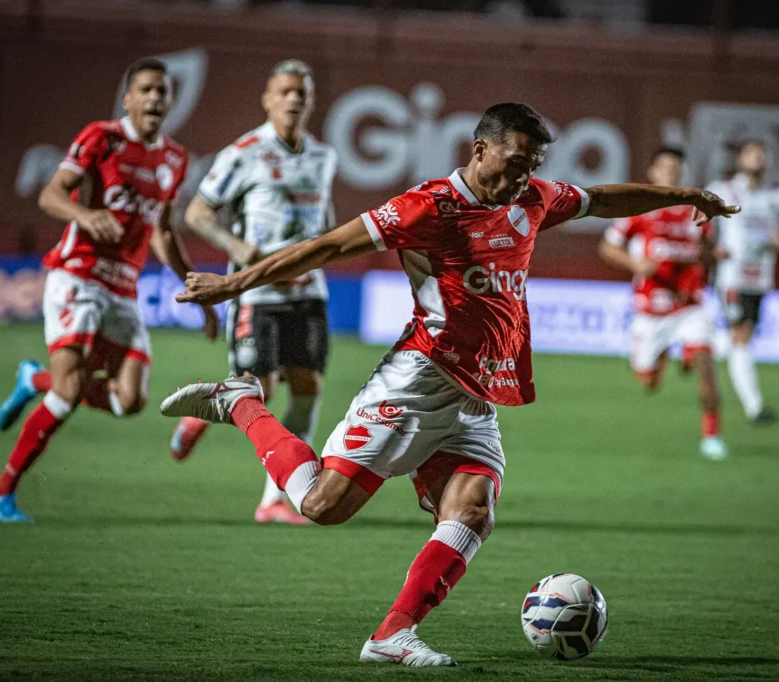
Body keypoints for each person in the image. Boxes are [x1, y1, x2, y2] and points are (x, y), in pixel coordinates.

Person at [159, 102, 739, 665]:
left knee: (472, 510)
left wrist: (686, 196)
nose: (523, 178)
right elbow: (329, 245)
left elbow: (603, 200)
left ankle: (393, 633)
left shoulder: (532, 199)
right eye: (515, 163)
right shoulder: (427, 208)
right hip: (418, 380)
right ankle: (241, 403)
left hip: (477, 396)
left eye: (532, 166)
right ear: (480, 148)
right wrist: (233, 285)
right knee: (321, 505)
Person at [0, 58, 218, 523]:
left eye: (162, 92)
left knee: (129, 400)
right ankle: (0, 493)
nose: (155, 99)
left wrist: (196, 287)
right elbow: (51, 193)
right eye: (146, 90)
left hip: (123, 289)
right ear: (128, 97)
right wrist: (85, 215)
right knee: (69, 391)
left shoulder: (175, 158)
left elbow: (164, 230)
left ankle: (34, 379)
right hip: (78, 274)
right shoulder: (102, 138)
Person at [168, 59, 336, 525]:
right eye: (284, 92)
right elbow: (198, 212)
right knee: (257, 389)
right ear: (267, 98)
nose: (293, 100)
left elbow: (324, 220)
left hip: (308, 291)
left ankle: (275, 499)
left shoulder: (324, 157)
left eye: (301, 93)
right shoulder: (244, 152)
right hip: (257, 293)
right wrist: (238, 249)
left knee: (307, 388)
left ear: (311, 101)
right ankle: (204, 412)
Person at [598, 147, 728, 460]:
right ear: (653, 173)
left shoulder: (696, 212)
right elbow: (607, 247)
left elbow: (709, 251)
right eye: (665, 168)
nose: (670, 173)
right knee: (648, 383)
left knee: (707, 370)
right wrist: (636, 263)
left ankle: (712, 437)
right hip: (650, 311)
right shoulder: (640, 210)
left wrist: (716, 255)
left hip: (689, 307)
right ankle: (668, 355)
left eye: (676, 168)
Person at [707, 140, 779, 424]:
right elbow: (700, 219)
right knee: (741, 336)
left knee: (741, 337)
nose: (756, 158)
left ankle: (695, 344)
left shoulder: (776, 196)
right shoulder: (724, 189)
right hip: (731, 275)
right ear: (740, 159)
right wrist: (712, 246)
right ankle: (755, 407)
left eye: (761, 154)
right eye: (750, 153)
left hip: (760, 276)